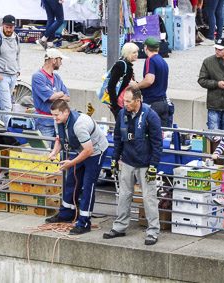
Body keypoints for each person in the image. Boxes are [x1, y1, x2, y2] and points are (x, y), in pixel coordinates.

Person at [103, 85, 162, 245]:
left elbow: (158, 143)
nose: (125, 104)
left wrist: (153, 166)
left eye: (128, 101)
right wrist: (115, 159)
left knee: (149, 198)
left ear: (138, 100)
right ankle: (120, 227)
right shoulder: (122, 114)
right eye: (124, 101)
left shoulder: (151, 116)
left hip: (145, 164)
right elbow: (117, 138)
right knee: (123, 196)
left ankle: (153, 231)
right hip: (128, 162)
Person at [45, 99, 108, 235]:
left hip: (95, 152)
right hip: (81, 151)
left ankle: (85, 222)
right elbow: (59, 139)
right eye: (53, 115)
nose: (54, 118)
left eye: (56, 115)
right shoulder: (59, 121)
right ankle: (66, 213)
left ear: (66, 112)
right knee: (72, 181)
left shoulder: (79, 125)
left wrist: (71, 163)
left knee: (88, 185)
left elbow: (89, 150)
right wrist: (54, 152)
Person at [31, 49, 70, 147]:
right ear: (54, 60)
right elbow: (51, 97)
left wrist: (56, 95)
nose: (61, 63)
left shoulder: (57, 77)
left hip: (58, 122)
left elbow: (68, 97)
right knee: (45, 151)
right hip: (44, 122)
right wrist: (60, 93)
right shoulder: (37, 77)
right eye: (60, 60)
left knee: (59, 152)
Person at [135, 37, 170, 127]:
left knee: (148, 133)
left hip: (152, 102)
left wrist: (136, 86)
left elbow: (149, 80)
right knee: (161, 134)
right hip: (164, 102)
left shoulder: (150, 60)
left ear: (146, 47)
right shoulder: (163, 61)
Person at [107, 42, 139, 120]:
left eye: (137, 52)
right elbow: (111, 85)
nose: (137, 54)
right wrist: (114, 104)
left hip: (123, 103)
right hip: (119, 104)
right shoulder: (120, 66)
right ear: (128, 53)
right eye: (134, 52)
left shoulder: (127, 65)